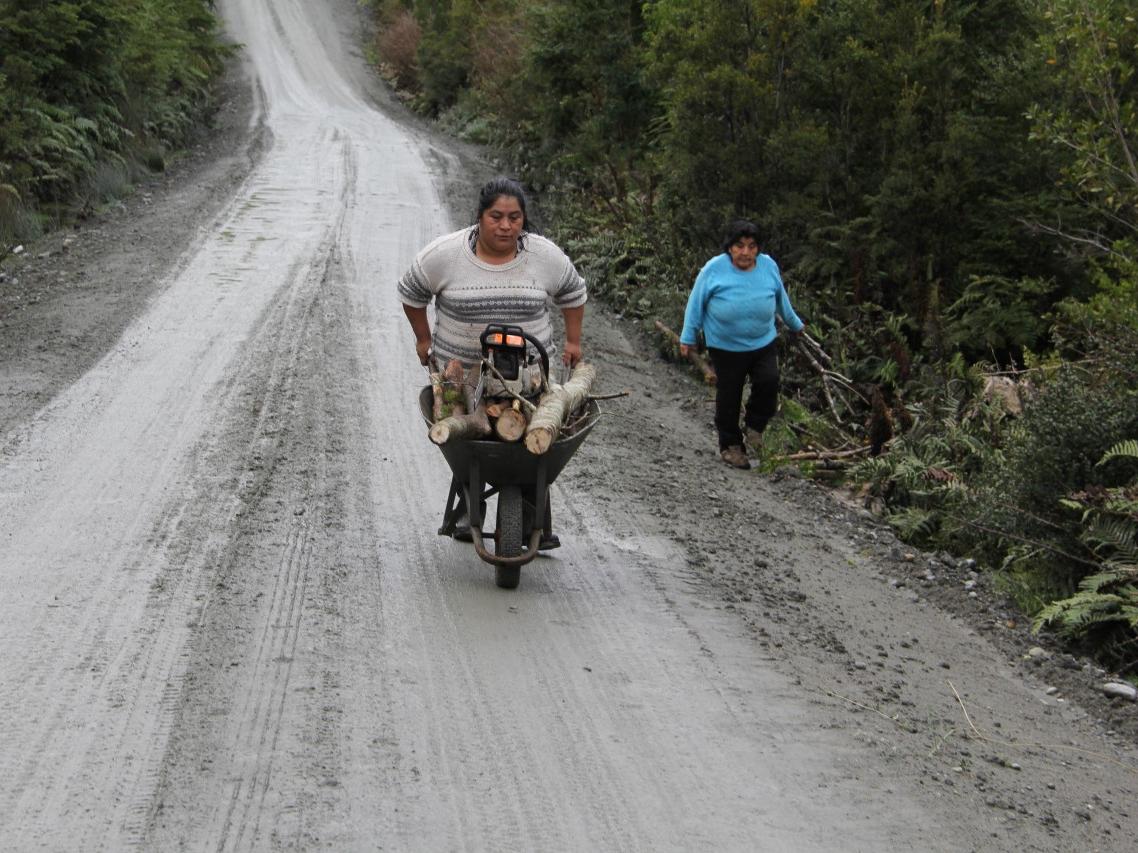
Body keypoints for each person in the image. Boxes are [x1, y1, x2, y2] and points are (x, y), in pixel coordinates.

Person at [398, 177, 587, 371]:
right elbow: (411, 291)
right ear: (480, 216)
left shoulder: (545, 255)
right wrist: (423, 339)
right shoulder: (445, 254)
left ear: (523, 218)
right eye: (496, 217)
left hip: (533, 383)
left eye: (514, 218)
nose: (505, 226)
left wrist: (573, 342)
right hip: (457, 383)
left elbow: (572, 292)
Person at [679, 219, 805, 470]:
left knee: (769, 382)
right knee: (729, 396)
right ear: (730, 248)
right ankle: (731, 446)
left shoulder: (768, 266)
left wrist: (796, 324)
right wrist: (687, 337)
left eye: (751, 246)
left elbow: (781, 299)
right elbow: (696, 303)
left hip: (762, 341)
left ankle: (755, 426)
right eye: (739, 246)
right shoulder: (714, 269)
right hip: (725, 347)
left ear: (758, 249)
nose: (745, 252)